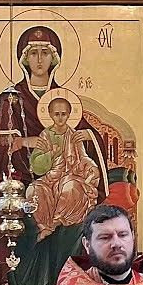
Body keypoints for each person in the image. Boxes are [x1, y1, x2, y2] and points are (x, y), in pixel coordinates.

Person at [0, 25, 107, 285]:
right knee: (26, 214)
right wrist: (23, 142)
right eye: (33, 53)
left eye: (45, 53)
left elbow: (88, 140)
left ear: (55, 58)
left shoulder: (63, 100)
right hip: (21, 182)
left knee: (75, 217)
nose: (39, 59)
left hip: (64, 184)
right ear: (24, 59)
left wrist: (86, 137)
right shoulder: (10, 99)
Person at [15, 93, 106, 240]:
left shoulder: (73, 134)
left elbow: (82, 157)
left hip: (70, 175)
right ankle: (43, 226)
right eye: (56, 114)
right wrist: (50, 154)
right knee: (33, 189)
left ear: (69, 115)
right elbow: (36, 165)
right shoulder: (45, 135)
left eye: (64, 114)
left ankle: (57, 221)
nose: (60, 118)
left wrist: (92, 166)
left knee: (70, 187)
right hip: (51, 177)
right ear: (50, 115)